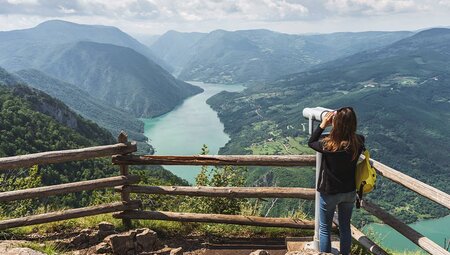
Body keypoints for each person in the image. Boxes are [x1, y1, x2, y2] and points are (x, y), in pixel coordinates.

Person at [308, 107, 365, 255]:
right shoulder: (359, 141)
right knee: (345, 227)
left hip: (329, 192)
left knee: (325, 228)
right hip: (349, 192)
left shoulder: (328, 145)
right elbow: (355, 138)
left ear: (336, 123)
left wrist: (323, 124)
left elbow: (311, 141)